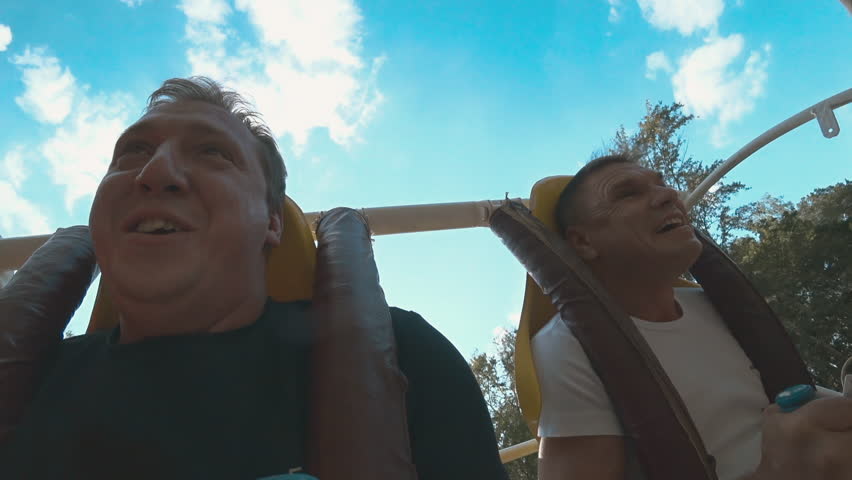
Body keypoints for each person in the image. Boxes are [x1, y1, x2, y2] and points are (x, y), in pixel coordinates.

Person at [0, 77, 508, 480]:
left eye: (212, 152)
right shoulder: (26, 379)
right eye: (133, 151)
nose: (155, 172)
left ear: (271, 222)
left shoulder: (404, 355)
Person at [533, 154, 852, 480]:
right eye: (627, 193)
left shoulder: (715, 304)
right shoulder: (570, 345)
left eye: (661, 183)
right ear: (584, 241)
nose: (669, 194)